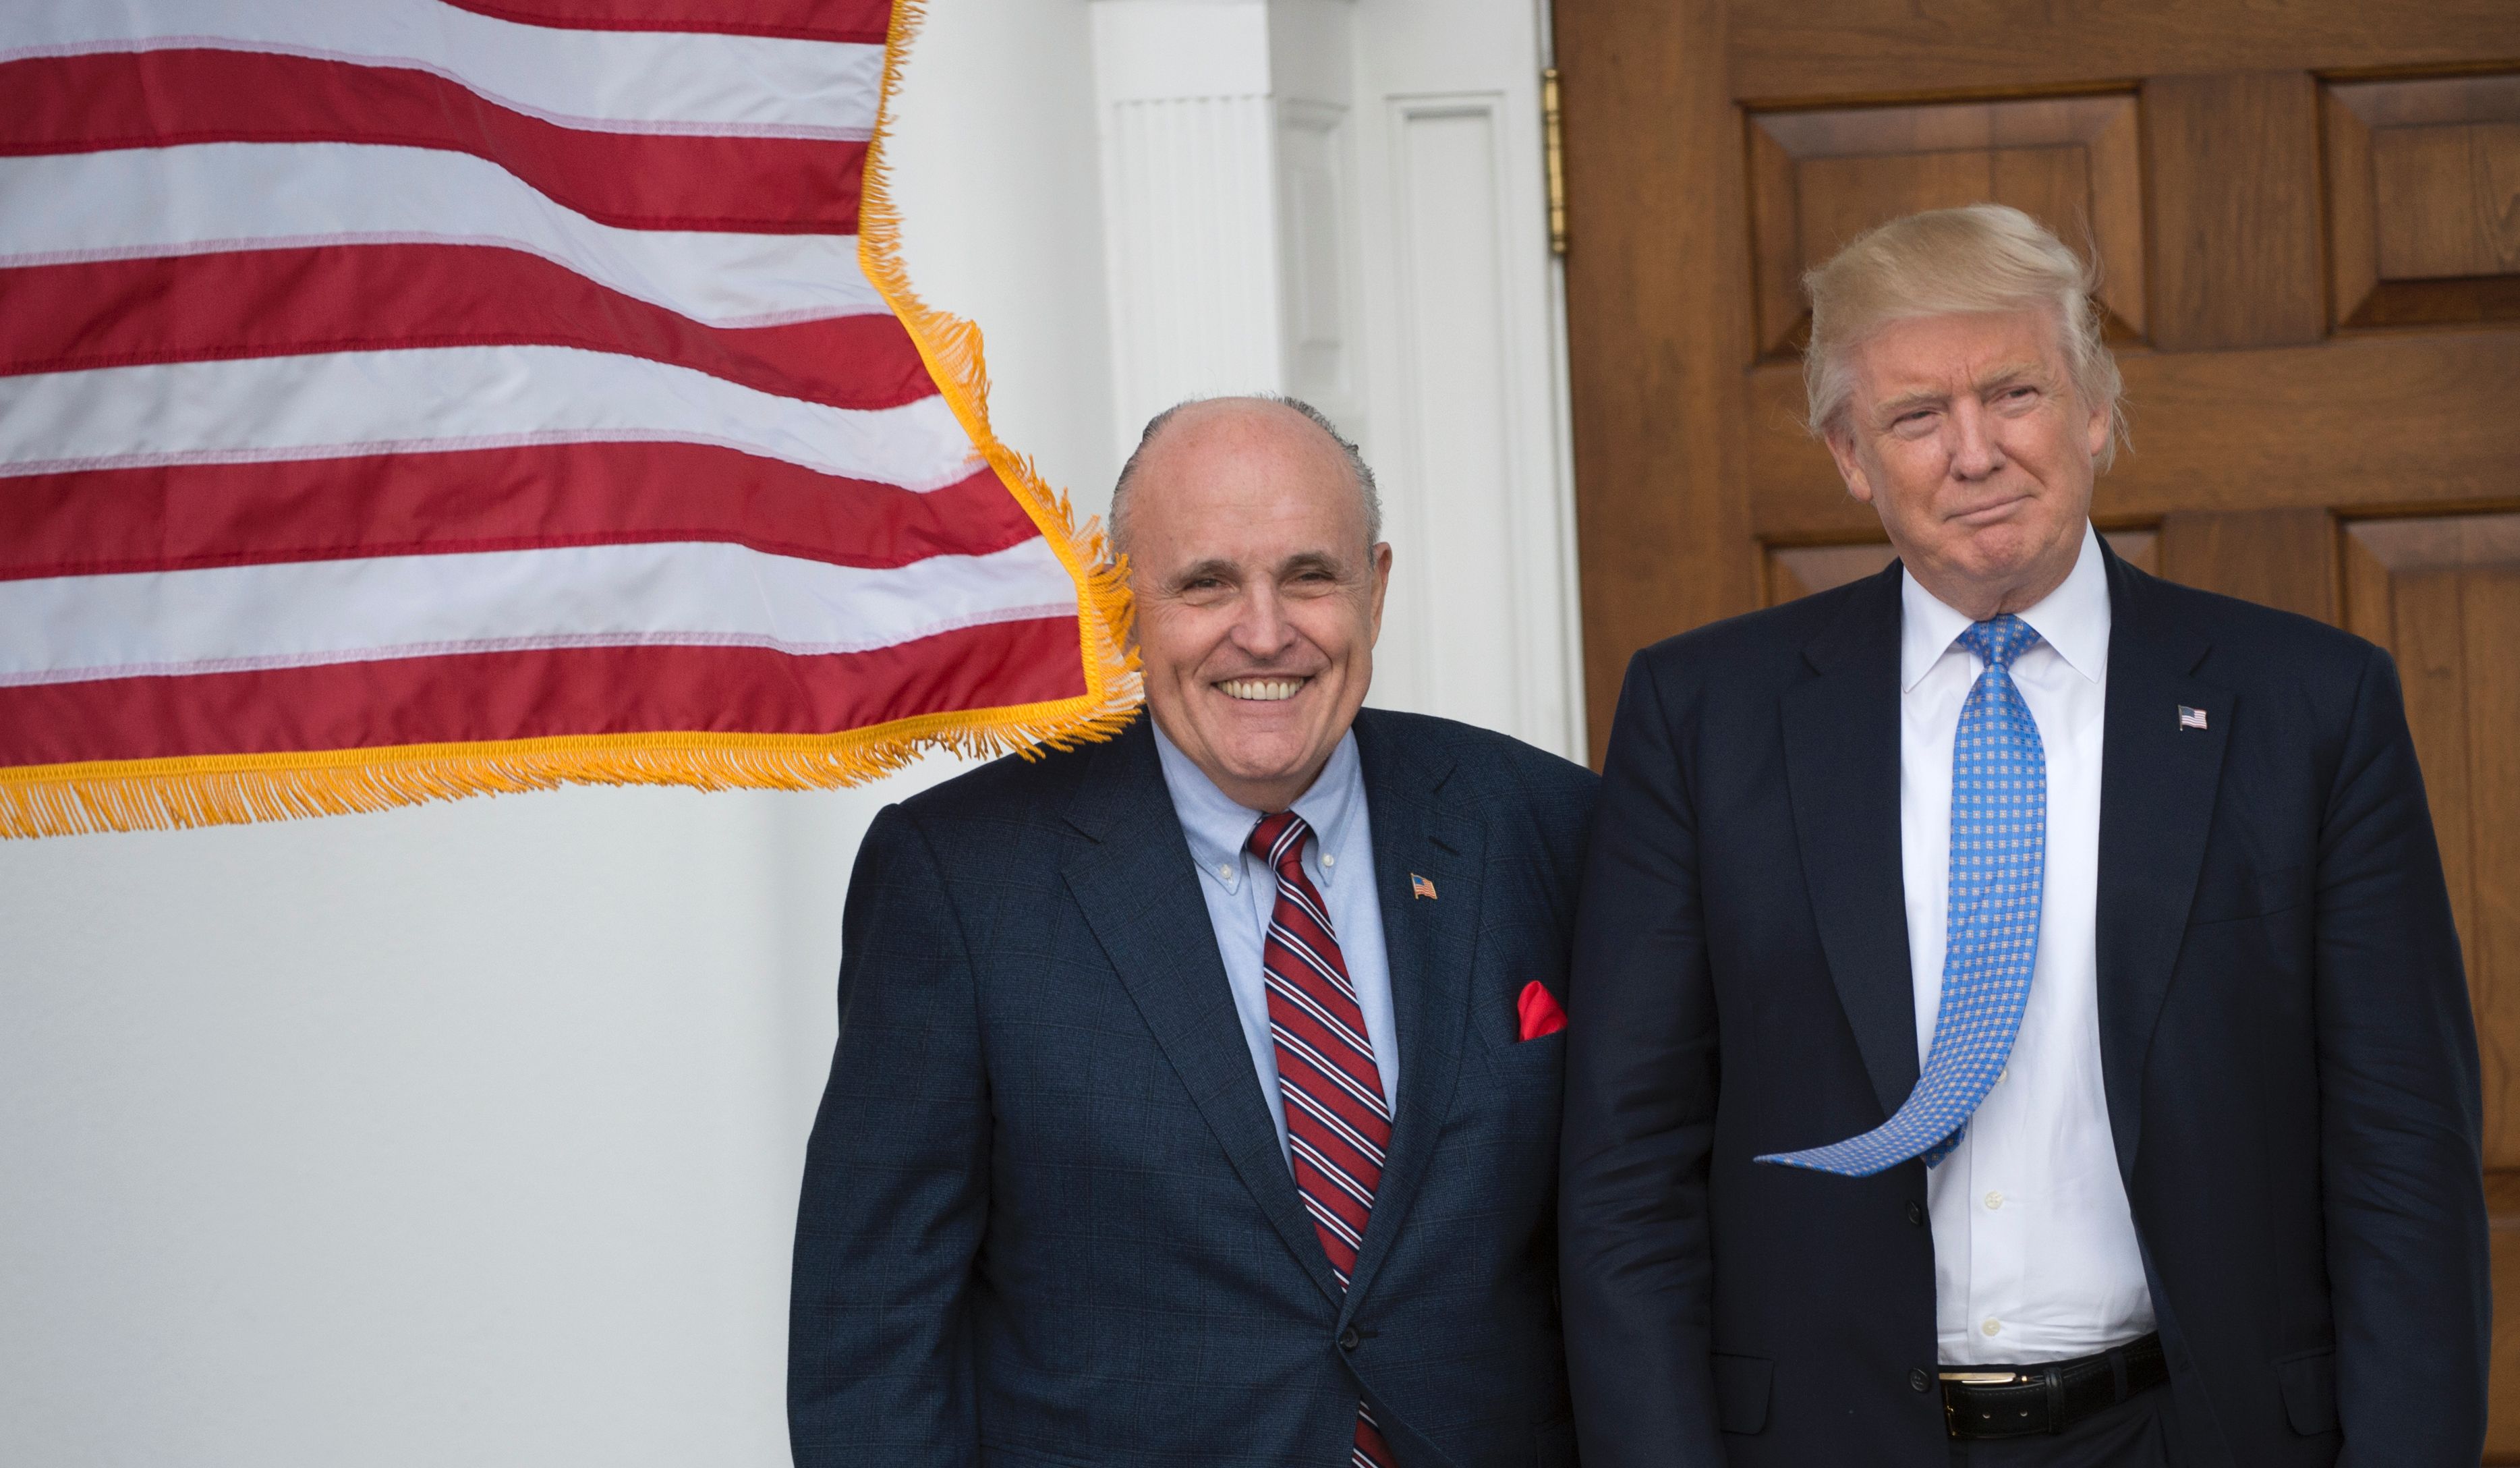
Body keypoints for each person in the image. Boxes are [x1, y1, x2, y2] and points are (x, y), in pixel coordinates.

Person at [1557, 204, 2488, 1467]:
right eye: (1915, 417)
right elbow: (1629, 1170)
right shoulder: (1700, 717)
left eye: (2014, 393)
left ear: (2096, 410)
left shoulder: (2311, 707)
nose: (1974, 452)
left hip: (2197, 1434)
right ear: (1849, 454)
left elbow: (2403, 1160)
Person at [789, 395, 1597, 1467]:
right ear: (1124, 604)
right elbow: (875, 1328)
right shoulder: (958, 877)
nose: (1265, 632)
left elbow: (1646, 1233)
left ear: (1378, 586)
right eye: (1206, 583)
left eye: (1310, 575)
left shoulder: (1547, 825)